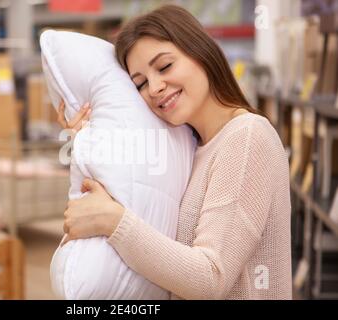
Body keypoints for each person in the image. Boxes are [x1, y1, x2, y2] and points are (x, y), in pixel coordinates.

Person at [56, 5, 292, 300]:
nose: (154, 87)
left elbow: (210, 279)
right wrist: (90, 146)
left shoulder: (247, 137)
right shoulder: (188, 145)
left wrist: (114, 221)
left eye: (165, 66)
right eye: (140, 83)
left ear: (201, 53)